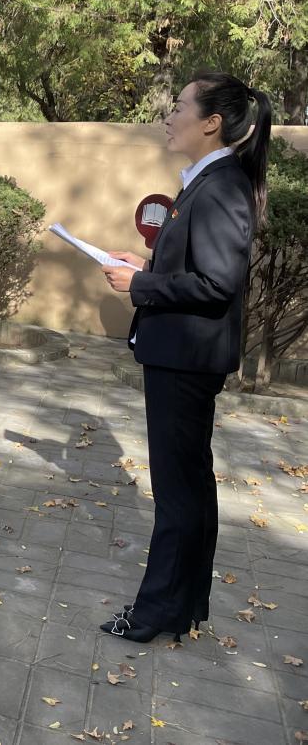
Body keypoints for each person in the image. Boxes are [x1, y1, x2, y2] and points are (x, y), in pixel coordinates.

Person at [98, 71, 271, 644]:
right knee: (191, 486)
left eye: (179, 107)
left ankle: (155, 614)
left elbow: (217, 283)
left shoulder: (220, 186)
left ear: (211, 123)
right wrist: (146, 267)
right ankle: (184, 607)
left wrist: (141, 287)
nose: (169, 117)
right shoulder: (210, 181)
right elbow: (199, 269)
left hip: (186, 360)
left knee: (178, 493)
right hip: (184, 357)